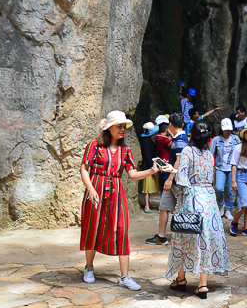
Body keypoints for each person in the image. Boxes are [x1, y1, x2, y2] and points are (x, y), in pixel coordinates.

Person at [80, 110, 162, 290]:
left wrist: (152, 171)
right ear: (109, 128)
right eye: (120, 126)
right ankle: (89, 268)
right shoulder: (94, 145)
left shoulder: (126, 151)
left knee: (121, 230)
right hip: (96, 191)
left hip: (117, 193)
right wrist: (90, 188)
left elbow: (132, 175)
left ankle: (124, 277)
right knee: (93, 227)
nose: (123, 129)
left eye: (124, 126)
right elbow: (84, 168)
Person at [166, 121, 230, 299]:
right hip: (208, 200)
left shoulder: (187, 151)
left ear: (191, 135)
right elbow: (210, 177)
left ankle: (181, 279)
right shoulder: (209, 155)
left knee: (184, 236)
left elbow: (183, 178)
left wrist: (171, 171)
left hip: (192, 199)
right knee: (207, 239)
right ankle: (203, 285)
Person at [146, 113, 189, 245]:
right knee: (164, 207)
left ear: (170, 125)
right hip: (172, 179)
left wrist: (170, 179)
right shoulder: (178, 138)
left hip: (176, 181)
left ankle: (185, 237)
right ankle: (161, 236)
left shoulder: (180, 140)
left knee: (183, 208)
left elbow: (179, 161)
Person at [210, 118, 240, 221]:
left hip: (232, 168)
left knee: (231, 190)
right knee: (219, 188)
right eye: (225, 129)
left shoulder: (235, 139)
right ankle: (221, 205)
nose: (227, 131)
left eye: (229, 129)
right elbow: (210, 154)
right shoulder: (216, 140)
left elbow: (240, 153)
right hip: (220, 168)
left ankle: (229, 209)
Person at [140, 122, 160, 213]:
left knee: (149, 187)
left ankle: (148, 203)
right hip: (148, 166)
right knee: (147, 188)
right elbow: (148, 155)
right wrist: (152, 168)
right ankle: (147, 205)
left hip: (150, 165)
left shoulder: (147, 140)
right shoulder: (146, 141)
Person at [154, 115, 171, 194]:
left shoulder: (158, 138)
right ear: (167, 130)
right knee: (166, 182)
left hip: (163, 162)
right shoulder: (162, 139)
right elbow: (173, 143)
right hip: (165, 162)